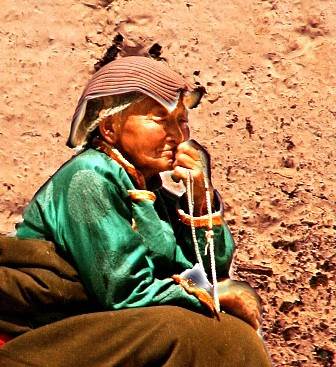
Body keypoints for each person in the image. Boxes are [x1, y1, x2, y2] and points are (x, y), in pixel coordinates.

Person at [0, 56, 271, 366]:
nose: (178, 135)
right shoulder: (88, 178)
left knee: (228, 335)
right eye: (159, 118)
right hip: (50, 337)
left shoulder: (152, 192)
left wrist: (199, 197)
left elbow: (209, 269)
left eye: (181, 120)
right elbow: (124, 293)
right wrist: (214, 294)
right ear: (110, 127)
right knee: (190, 333)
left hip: (109, 330)